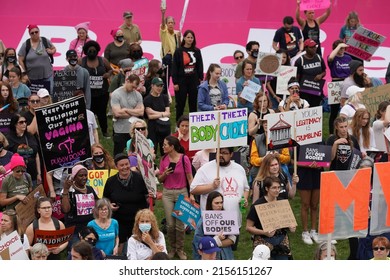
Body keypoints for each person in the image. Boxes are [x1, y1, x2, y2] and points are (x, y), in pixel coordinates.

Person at [190, 147, 250, 232]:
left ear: (231, 154)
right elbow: (193, 189)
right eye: (219, 152)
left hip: (233, 221)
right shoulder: (205, 169)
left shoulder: (239, 169)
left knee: (232, 244)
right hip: (213, 222)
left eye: (225, 153)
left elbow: (246, 189)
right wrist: (212, 186)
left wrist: (244, 199)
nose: (221, 155)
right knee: (214, 244)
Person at [327, 116, 361, 259]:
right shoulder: (330, 139)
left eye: (345, 126)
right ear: (336, 127)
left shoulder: (353, 139)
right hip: (335, 176)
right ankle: (332, 232)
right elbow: (329, 159)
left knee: (347, 209)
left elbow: (357, 156)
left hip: (349, 178)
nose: (343, 129)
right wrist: (335, 145)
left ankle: (347, 235)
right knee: (333, 207)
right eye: (341, 127)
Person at [103, 153, 149, 255]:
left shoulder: (139, 179)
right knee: (120, 246)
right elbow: (105, 199)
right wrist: (109, 206)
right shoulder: (110, 181)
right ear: (116, 167)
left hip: (138, 219)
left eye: (127, 164)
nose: (125, 167)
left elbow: (147, 196)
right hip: (119, 220)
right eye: (122, 165)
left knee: (139, 246)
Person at [158, 136, 193, 259]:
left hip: (181, 193)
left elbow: (190, 177)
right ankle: (172, 248)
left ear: (172, 146)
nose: (163, 147)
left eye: (165, 145)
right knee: (170, 225)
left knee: (180, 225)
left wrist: (192, 194)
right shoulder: (163, 159)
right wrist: (164, 174)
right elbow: (160, 180)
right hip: (167, 193)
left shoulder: (184, 159)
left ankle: (180, 249)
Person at [246, 176, 296, 260]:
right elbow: (248, 227)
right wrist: (264, 232)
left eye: (279, 187)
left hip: (281, 240)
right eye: (274, 188)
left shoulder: (282, 203)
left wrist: (292, 227)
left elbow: (289, 222)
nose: (277, 190)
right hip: (263, 241)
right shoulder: (257, 205)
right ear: (266, 188)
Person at [61, 164, 98, 249]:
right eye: (81, 175)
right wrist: (66, 190)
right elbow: (65, 210)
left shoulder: (91, 189)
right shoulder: (69, 191)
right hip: (74, 231)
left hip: (90, 229)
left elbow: (97, 205)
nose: (84, 177)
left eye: (85, 175)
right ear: (74, 177)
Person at [81, 40, 112, 138]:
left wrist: (108, 74)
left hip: (102, 92)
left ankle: (104, 131)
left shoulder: (102, 60)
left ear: (97, 51)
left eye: (94, 51)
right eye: (90, 51)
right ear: (86, 51)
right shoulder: (81, 61)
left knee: (102, 112)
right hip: (88, 93)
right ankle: (89, 131)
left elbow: (110, 69)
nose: (92, 52)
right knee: (89, 112)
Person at [192, 191, 235, 260]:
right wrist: (216, 240)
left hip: (226, 255)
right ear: (210, 204)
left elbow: (232, 239)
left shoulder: (227, 217)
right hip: (210, 256)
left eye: (221, 202)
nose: (220, 205)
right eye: (216, 203)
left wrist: (215, 243)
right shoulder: (202, 222)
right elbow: (197, 242)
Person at [172, 30, 203, 121]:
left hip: (194, 80)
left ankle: (194, 123)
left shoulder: (197, 51)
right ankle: (178, 123)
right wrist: (175, 82)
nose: (190, 39)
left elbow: (200, 65)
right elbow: (175, 68)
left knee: (193, 103)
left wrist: (200, 78)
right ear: (184, 38)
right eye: (188, 37)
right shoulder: (178, 51)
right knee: (180, 103)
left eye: (192, 37)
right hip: (181, 81)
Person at [111, 74, 144, 156]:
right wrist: (134, 112)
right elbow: (117, 113)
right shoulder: (116, 94)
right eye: (132, 87)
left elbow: (141, 112)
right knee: (119, 154)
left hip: (134, 129)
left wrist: (125, 110)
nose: (133, 89)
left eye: (135, 88)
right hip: (120, 130)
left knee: (135, 153)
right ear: (127, 81)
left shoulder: (138, 95)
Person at [17, 24, 56, 92]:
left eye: (36, 32)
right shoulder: (26, 44)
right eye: (32, 33)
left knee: (49, 94)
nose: (34, 34)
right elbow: (20, 60)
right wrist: (24, 74)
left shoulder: (44, 40)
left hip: (47, 75)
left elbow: (54, 48)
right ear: (29, 34)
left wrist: (51, 51)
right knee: (34, 96)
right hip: (32, 77)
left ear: (39, 31)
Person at [7, 114, 41, 186]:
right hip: (18, 175)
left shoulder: (30, 136)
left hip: (33, 173)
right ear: (15, 124)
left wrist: (39, 173)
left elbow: (37, 156)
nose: (24, 124)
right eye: (21, 122)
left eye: (25, 122)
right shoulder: (9, 138)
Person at [327, 39, 352, 134]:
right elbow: (330, 58)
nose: (342, 49)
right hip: (336, 83)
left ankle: (347, 131)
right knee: (334, 110)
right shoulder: (332, 57)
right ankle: (331, 133)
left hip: (346, 83)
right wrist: (338, 46)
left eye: (343, 48)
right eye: (340, 48)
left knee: (347, 107)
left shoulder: (348, 58)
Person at [294, 39, 326, 107]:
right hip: (304, 91)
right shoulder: (300, 61)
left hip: (316, 89)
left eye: (315, 46)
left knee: (316, 108)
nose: (314, 49)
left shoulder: (319, 58)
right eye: (311, 47)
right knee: (305, 109)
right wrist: (297, 91)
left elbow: (324, 71)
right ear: (306, 48)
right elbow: (297, 77)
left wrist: (321, 75)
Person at [144, 77, 171, 156]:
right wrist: (163, 114)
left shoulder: (164, 97)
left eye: (161, 86)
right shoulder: (147, 99)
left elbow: (168, 113)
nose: (159, 88)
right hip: (153, 127)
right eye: (157, 86)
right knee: (152, 149)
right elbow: (150, 116)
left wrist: (155, 113)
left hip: (164, 126)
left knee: (165, 149)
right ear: (152, 86)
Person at [160, 7, 181, 88]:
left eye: (172, 22)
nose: (170, 24)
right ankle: (165, 95)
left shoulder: (177, 33)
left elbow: (180, 47)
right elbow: (162, 25)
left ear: (174, 24)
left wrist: (179, 38)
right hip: (167, 58)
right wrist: (163, 14)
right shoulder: (164, 32)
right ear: (166, 24)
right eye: (168, 23)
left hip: (175, 59)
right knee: (165, 79)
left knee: (177, 79)